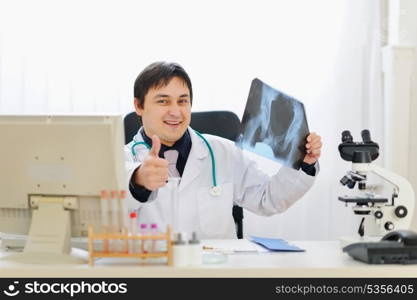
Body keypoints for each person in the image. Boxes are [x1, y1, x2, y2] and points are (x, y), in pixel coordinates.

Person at [125, 61, 322, 239]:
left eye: (183, 101)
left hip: (215, 271)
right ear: (139, 105)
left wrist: (305, 163)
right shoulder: (120, 160)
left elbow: (268, 199)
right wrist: (137, 182)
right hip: (153, 272)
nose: (176, 112)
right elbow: (102, 220)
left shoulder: (223, 152)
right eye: (163, 101)